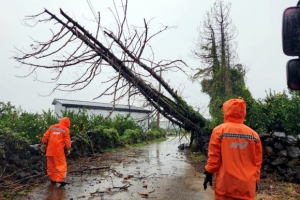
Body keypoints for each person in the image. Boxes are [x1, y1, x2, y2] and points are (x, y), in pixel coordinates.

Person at [203, 98, 262, 200]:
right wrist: (255, 180)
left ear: (226, 111)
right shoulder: (253, 135)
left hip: (225, 186)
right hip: (246, 187)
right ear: (243, 112)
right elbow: (257, 162)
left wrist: (209, 173)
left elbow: (214, 157)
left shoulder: (219, 131)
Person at [42, 117, 71, 186]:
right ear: (67, 124)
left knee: (51, 166)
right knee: (61, 165)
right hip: (58, 151)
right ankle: (60, 179)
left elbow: (45, 136)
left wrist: (44, 143)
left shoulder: (52, 127)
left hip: (50, 150)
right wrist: (68, 148)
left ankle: (53, 179)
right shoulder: (65, 129)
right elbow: (67, 141)